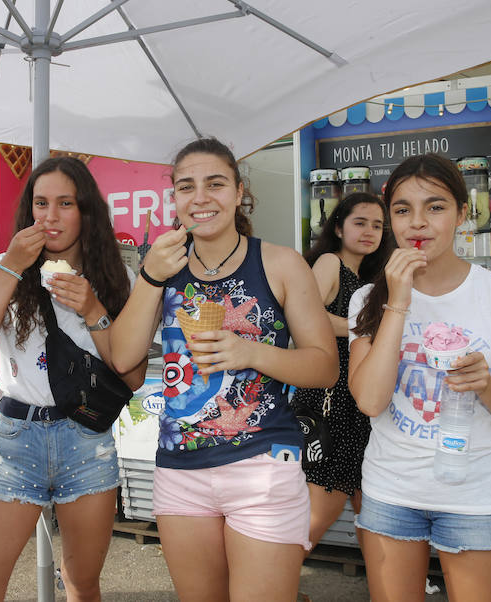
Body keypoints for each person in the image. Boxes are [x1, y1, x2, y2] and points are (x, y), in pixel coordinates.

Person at [109, 137, 339, 601]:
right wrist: (150, 275)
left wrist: (250, 352)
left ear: (238, 192)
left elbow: (325, 366)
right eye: (186, 187)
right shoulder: (163, 268)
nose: (201, 197)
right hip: (179, 470)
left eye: (215, 184)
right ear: (174, 198)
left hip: (263, 465)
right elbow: (123, 357)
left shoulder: (280, 263)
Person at [347, 154, 491, 601]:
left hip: (478, 498)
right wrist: (398, 301)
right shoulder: (368, 298)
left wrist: (486, 385)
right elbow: (371, 402)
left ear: (462, 213)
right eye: (403, 210)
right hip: (390, 491)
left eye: (435, 207)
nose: (417, 223)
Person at [0, 156, 146, 601]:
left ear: (86, 211)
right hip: (17, 440)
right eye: (41, 204)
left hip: (87, 441)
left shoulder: (118, 276)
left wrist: (94, 310)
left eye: (66, 203)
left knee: (82, 586)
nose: (51, 217)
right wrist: (11, 266)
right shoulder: (6, 266)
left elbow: (133, 375)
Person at [291, 192, 392, 549]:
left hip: (358, 403)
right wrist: (363, 330)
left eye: (377, 225)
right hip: (328, 402)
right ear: (338, 228)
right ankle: (270, 575)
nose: (369, 232)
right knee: (320, 510)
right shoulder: (330, 262)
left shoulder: (368, 278)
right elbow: (306, 317)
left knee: (372, 507)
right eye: (359, 223)